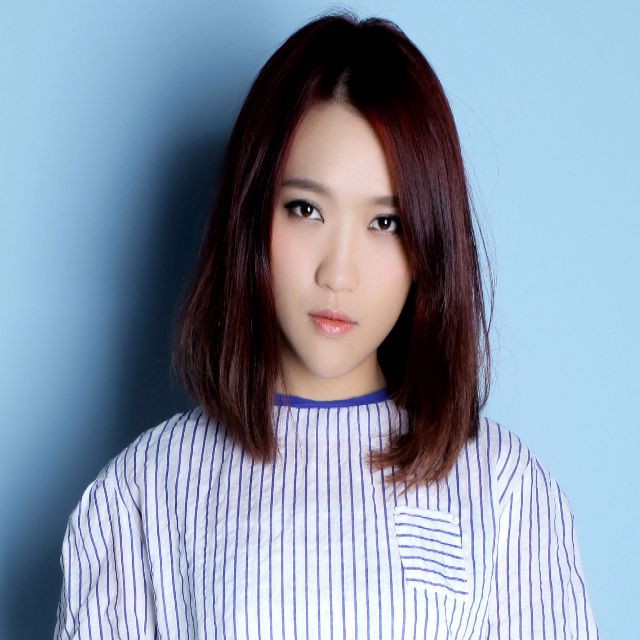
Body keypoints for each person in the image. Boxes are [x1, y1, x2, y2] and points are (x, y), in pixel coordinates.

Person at [53, 10, 600, 639]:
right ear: (251, 215)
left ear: (429, 247)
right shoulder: (141, 492)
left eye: (385, 223)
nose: (338, 273)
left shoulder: (505, 488)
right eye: (306, 209)